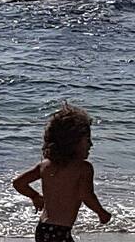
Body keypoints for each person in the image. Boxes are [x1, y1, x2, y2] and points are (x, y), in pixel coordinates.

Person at [12, 103, 113, 242]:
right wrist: (101, 213)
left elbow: (19, 183)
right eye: (87, 140)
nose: (91, 145)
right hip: (60, 233)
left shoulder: (45, 165)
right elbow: (86, 195)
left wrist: (35, 196)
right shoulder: (84, 168)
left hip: (42, 229)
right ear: (72, 142)